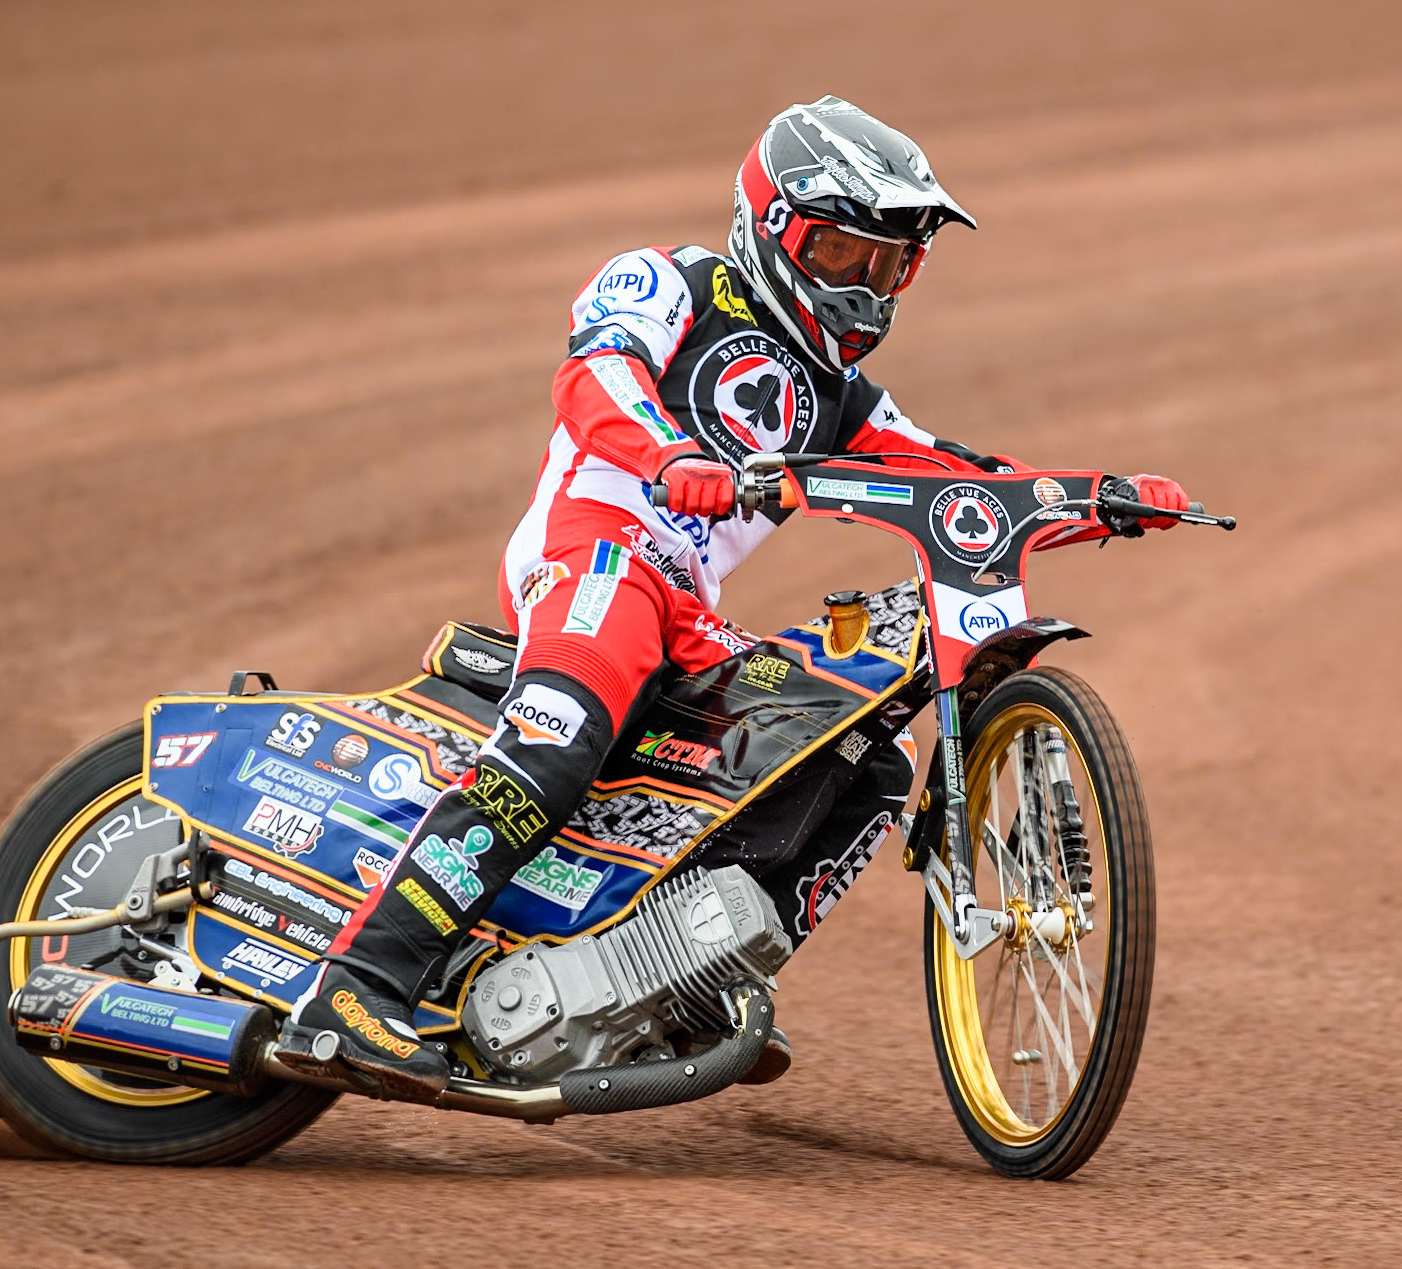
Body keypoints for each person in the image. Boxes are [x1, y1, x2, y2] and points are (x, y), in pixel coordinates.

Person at [292, 96, 1190, 1095]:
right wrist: (669, 454)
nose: (865, 285)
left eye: (887, 263)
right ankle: (356, 982)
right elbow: (593, 378)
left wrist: (1090, 500)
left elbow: (951, 476)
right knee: (560, 731)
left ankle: (684, 980)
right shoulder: (671, 281)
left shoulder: (840, 396)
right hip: (597, 553)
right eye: (842, 254)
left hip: (687, 606)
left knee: (861, 754)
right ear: (773, 228)